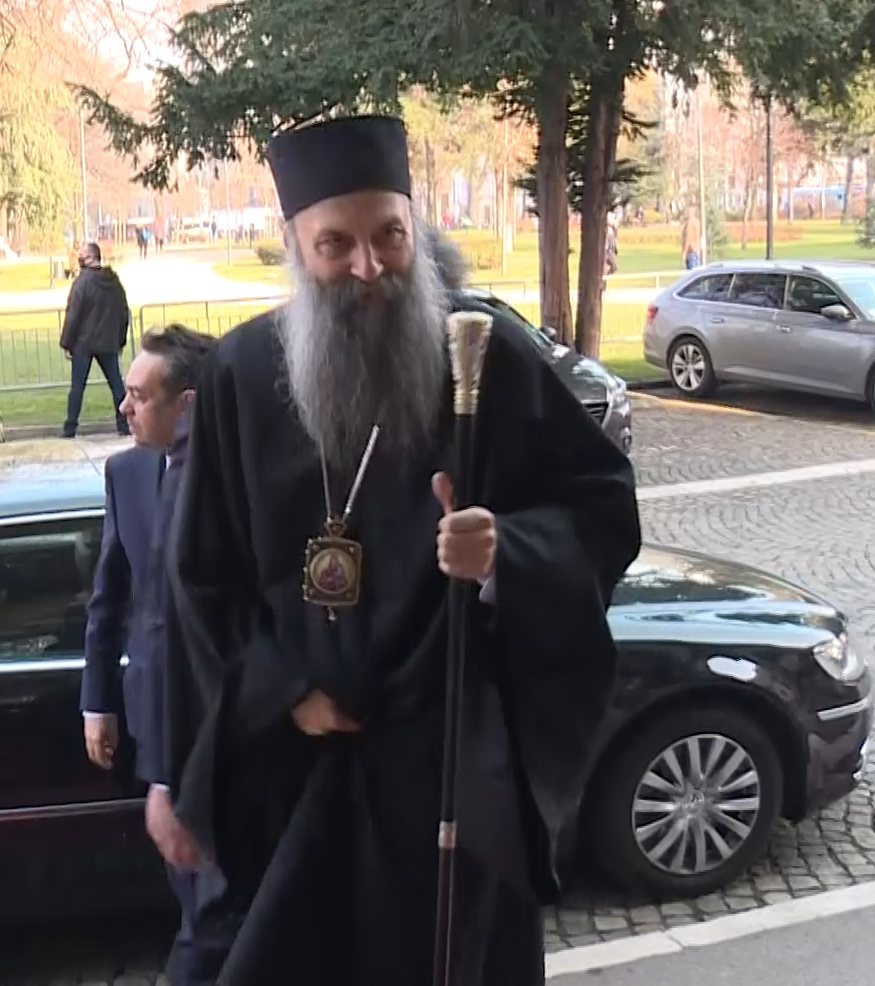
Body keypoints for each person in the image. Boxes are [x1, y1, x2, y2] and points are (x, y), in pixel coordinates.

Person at [158, 114, 642, 986]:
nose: (368, 266)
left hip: (448, 764)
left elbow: (599, 508)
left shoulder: (483, 356)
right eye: (335, 245)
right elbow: (200, 576)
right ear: (295, 247)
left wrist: (505, 551)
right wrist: (282, 690)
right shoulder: (240, 375)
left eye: (389, 235)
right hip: (297, 767)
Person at [80, 323, 217, 986]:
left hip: (219, 732)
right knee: (192, 901)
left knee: (215, 924)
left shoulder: (233, 484)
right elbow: (110, 596)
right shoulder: (126, 472)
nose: (123, 407)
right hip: (153, 726)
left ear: (186, 404)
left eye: (138, 396)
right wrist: (98, 701)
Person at [59, 241, 131, 438]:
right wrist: (120, 340)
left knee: (77, 388)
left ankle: (70, 428)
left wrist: (67, 343)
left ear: (90, 257)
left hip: (83, 344)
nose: (79, 258)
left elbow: (73, 315)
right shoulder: (114, 282)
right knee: (116, 385)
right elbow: (124, 313)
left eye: (82, 255)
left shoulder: (82, 283)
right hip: (108, 343)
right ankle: (124, 425)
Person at [682, 204, 703, 269]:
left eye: (688, 212)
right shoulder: (697, 222)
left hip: (691, 251)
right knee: (697, 271)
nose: (686, 213)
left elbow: (688, 237)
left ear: (691, 213)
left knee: (691, 272)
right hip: (697, 250)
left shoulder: (690, 222)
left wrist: (685, 251)